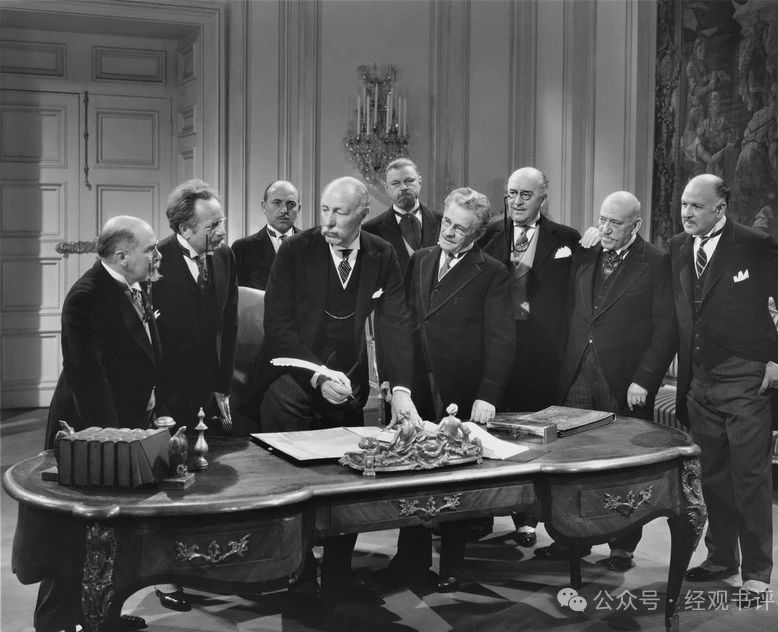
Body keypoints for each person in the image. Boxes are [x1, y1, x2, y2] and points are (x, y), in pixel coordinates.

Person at [256, 176, 420, 603]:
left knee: (346, 484)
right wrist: (317, 376)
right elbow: (277, 327)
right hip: (292, 377)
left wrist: (402, 389)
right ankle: (295, 575)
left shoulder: (381, 253)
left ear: (363, 214)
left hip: (348, 382)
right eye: (325, 210)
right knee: (293, 489)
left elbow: (396, 322)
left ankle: (338, 574)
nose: (328, 221)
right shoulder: (296, 250)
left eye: (340, 213)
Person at [370, 187, 515, 594]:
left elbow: (502, 339)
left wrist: (488, 394)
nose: (448, 232)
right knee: (409, 471)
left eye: (459, 228)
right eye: (447, 222)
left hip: (460, 387)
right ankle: (409, 560)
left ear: (477, 234)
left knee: (455, 476)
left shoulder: (492, 272)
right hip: (415, 383)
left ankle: (453, 565)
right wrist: (392, 378)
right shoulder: (420, 259)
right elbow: (400, 321)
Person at [673, 174, 778, 606]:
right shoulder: (678, 247)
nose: (687, 212)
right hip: (699, 381)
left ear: (720, 209)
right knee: (711, 478)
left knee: (749, 479)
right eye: (684, 204)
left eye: (696, 205)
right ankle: (721, 558)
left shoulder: (755, 244)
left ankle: (757, 573)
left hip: (747, 379)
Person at [37, 215, 161, 632]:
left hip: (126, 426)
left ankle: (103, 616)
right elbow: (88, 377)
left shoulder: (136, 285)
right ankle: (54, 622)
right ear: (122, 256)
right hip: (88, 430)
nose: (157, 255)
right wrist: (113, 439)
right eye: (150, 248)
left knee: (110, 532)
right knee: (72, 531)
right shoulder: (86, 296)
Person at [559, 191, 677, 570]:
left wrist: (645, 378)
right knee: (575, 459)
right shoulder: (586, 252)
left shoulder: (655, 261)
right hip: (577, 371)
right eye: (602, 219)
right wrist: (581, 244)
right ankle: (576, 539)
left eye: (615, 222)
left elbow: (666, 328)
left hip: (625, 379)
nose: (606, 229)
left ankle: (623, 544)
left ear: (636, 225)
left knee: (623, 463)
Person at [479, 166, 580, 547]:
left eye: (525, 194)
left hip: (542, 356)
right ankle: (483, 512)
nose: (517, 202)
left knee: (534, 439)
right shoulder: (488, 235)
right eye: (512, 194)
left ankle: (528, 519)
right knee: (491, 433)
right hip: (494, 351)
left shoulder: (567, 239)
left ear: (543, 197)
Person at [152, 179, 238, 433]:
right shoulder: (154, 260)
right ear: (185, 229)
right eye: (213, 226)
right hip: (169, 392)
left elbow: (230, 324)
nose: (222, 232)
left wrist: (224, 385)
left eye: (222, 222)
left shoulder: (226, 256)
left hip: (211, 387)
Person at [362, 157, 441, 272]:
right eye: (395, 183)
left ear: (420, 182)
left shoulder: (443, 222)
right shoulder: (369, 231)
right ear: (387, 188)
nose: (403, 187)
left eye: (409, 181)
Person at [231, 180, 301, 290]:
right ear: (264, 207)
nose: (284, 210)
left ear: (299, 209)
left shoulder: (314, 246)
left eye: (291, 204)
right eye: (277, 203)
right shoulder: (242, 249)